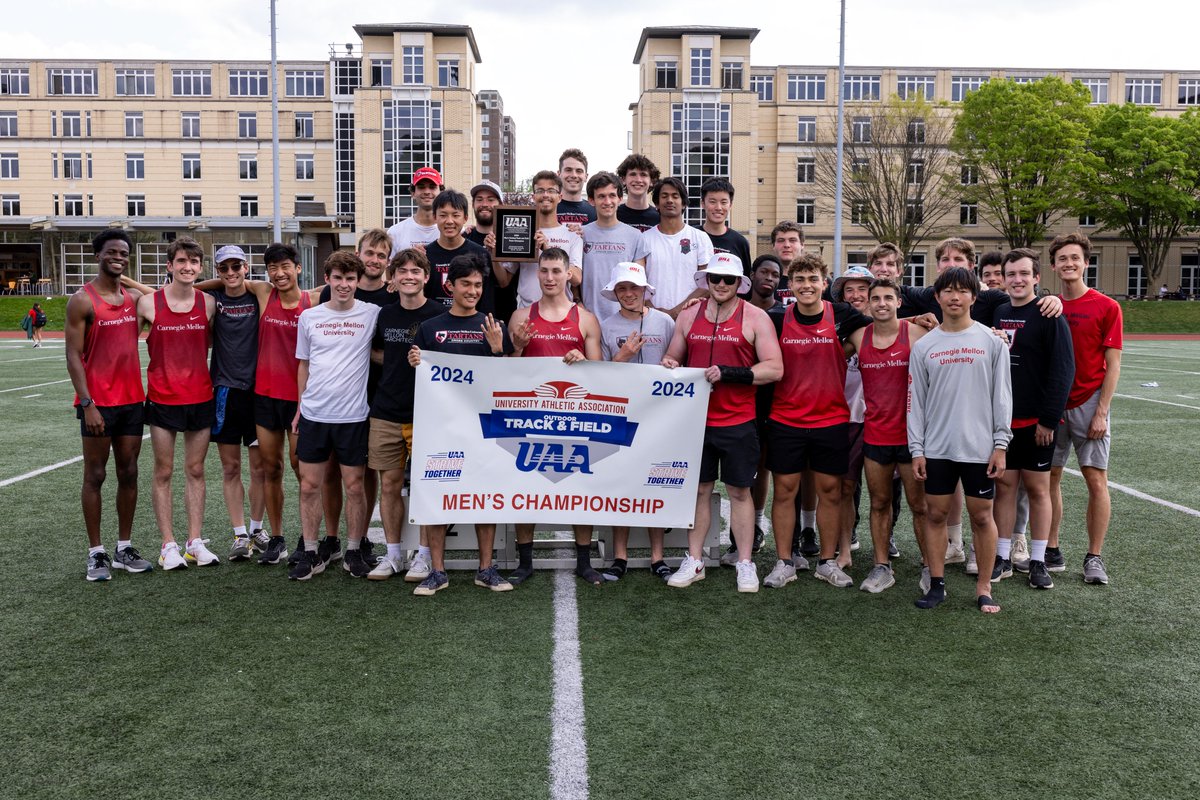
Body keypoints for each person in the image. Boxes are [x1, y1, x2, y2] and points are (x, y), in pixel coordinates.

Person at [661, 253, 783, 593]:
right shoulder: (688, 315)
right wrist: (670, 361)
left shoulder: (756, 317)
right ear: (707, 280)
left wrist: (732, 374)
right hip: (695, 420)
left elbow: (774, 368)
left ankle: (745, 562)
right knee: (699, 490)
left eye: (728, 279)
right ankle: (694, 559)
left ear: (739, 283)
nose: (721, 284)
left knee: (739, 492)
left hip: (739, 420)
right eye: (715, 277)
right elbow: (674, 355)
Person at [204, 243, 324, 566]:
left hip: (300, 400)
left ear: (298, 268)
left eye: (285, 266)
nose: (279, 273)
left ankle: (309, 539)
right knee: (272, 468)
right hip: (265, 397)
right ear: (265, 271)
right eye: (273, 267)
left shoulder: (312, 300)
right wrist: (182, 284)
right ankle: (278, 538)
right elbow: (225, 282)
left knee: (303, 471)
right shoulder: (263, 293)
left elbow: (349, 282)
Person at [407, 254, 515, 595]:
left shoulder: (492, 324)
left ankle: (486, 568)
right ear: (449, 286)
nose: (472, 290)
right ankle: (437, 571)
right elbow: (424, 378)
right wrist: (416, 362)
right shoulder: (430, 328)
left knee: (484, 496)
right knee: (438, 495)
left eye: (478, 285)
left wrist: (499, 351)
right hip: (440, 428)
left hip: (484, 429)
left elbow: (508, 383)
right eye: (466, 284)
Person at [762, 254, 869, 591]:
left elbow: (880, 333)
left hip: (831, 418)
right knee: (784, 492)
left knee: (831, 493)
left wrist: (848, 348)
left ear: (825, 284)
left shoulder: (844, 315)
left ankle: (826, 561)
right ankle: (784, 561)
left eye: (813, 280)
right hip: (785, 418)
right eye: (799, 280)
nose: (806, 286)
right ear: (790, 286)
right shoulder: (777, 319)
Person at [908, 267, 1012, 613]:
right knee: (935, 515)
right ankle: (937, 584)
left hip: (979, 448)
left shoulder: (991, 342)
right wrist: (917, 449)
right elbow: (916, 402)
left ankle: (984, 588)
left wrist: (1000, 445)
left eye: (962, 291)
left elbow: (1002, 398)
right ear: (937, 297)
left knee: (982, 517)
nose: (955, 297)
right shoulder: (925, 346)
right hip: (937, 447)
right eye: (948, 291)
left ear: (974, 296)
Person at [508, 247, 605, 585]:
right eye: (544, 271)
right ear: (538, 274)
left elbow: (599, 375)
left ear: (568, 275)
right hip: (532, 417)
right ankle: (525, 561)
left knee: (580, 486)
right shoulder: (521, 317)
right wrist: (518, 346)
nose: (549, 277)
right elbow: (506, 374)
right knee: (527, 487)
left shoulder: (586, 318)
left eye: (555, 271)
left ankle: (583, 560)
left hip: (574, 418)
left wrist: (584, 359)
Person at [288, 251, 382, 580]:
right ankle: (311, 552)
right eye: (338, 278)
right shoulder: (309, 317)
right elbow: (304, 364)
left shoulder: (372, 314)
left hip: (354, 416)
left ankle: (354, 550)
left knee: (355, 486)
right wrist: (300, 407)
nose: (344, 285)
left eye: (350, 279)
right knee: (309, 485)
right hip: (315, 414)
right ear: (327, 279)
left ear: (359, 282)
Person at [65, 230, 153, 581]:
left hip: (132, 400)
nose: (117, 256)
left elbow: (160, 298)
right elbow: (72, 355)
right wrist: (87, 404)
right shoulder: (81, 300)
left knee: (129, 472)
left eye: (123, 253)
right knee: (96, 475)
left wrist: (125, 277)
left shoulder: (133, 299)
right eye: (110, 252)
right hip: (97, 403)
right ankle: (96, 553)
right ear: (97, 255)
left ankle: (123, 548)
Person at [135, 237, 219, 570]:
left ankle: (194, 542)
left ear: (200, 267)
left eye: (194, 262)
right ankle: (167, 544)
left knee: (196, 470)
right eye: (181, 261)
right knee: (164, 471)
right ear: (169, 265)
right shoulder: (147, 304)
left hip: (201, 396)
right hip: (162, 398)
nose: (188, 267)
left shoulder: (209, 304)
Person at [993, 248, 1074, 590]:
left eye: (1024, 273)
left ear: (1037, 278)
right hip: (1003, 422)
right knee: (1005, 488)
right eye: (1011, 274)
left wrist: (1049, 419)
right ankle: (1002, 555)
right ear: (1004, 278)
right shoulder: (998, 312)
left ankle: (1038, 560)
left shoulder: (1049, 314)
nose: (1017, 279)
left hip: (1037, 423)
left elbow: (1063, 370)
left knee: (1039, 489)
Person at [317, 229, 397, 569]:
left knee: (366, 471)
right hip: (337, 397)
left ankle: (359, 539)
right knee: (330, 470)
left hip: (376, 396)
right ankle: (332, 538)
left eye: (381, 255)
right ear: (359, 254)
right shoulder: (330, 291)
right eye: (369, 253)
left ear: (388, 261)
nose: (374, 260)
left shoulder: (393, 298)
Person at [845, 278, 930, 593]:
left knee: (920, 506)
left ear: (899, 302)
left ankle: (929, 567)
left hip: (913, 438)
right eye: (875, 298)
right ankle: (882, 567)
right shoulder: (857, 336)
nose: (881, 303)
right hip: (876, 436)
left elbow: (954, 339)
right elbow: (824, 356)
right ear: (868, 304)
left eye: (888, 298)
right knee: (879, 502)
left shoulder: (919, 335)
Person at [1047, 232, 1122, 585]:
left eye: (1075, 258)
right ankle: (1051, 547)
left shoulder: (1107, 306)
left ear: (1086, 263)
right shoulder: (1050, 306)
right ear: (1053, 265)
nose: (1069, 264)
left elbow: (1113, 363)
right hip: (1055, 404)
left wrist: (1102, 411)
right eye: (1062, 259)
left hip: (1089, 401)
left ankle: (1094, 556)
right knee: (1050, 477)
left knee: (1096, 480)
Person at [366, 249, 443, 581]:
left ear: (426, 277)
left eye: (416, 271)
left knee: (426, 486)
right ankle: (394, 553)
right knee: (390, 484)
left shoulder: (440, 314)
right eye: (402, 271)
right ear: (392, 278)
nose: (409, 276)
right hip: (385, 411)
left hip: (426, 413)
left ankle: (424, 556)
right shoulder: (383, 315)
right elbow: (375, 351)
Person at [596, 261, 675, 581]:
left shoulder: (666, 321)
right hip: (622, 414)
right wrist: (623, 356)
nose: (629, 294)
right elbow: (599, 375)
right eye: (622, 288)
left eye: (634, 288)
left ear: (646, 290)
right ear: (615, 293)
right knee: (623, 483)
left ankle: (658, 557)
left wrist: (674, 361)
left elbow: (677, 358)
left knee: (655, 482)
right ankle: (620, 556)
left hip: (659, 414)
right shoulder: (606, 325)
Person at [721, 254, 784, 566]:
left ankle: (770, 526)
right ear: (751, 275)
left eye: (775, 274)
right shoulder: (731, 307)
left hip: (775, 398)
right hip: (738, 402)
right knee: (749, 469)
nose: (769, 278)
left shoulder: (785, 314)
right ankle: (747, 533)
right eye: (764, 271)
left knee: (768, 468)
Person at [207, 246, 268, 561]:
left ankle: (258, 530)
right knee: (231, 467)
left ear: (247, 267)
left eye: (236, 266)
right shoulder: (211, 300)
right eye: (224, 268)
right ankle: (239, 534)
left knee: (260, 467)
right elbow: (171, 292)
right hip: (225, 393)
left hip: (258, 393)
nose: (230, 273)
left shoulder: (260, 296)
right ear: (217, 271)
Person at [831, 265, 875, 565]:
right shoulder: (835, 328)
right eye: (850, 289)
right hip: (842, 419)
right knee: (844, 487)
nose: (856, 295)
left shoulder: (888, 327)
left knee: (885, 492)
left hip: (878, 420)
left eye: (862, 289)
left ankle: (885, 552)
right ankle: (845, 548)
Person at [495, 170, 582, 308]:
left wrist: (548, 251)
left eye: (551, 190)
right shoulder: (523, 232)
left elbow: (576, 279)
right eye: (540, 190)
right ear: (533, 196)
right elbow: (504, 281)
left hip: (561, 314)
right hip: (527, 312)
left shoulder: (572, 235)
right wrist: (493, 253)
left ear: (560, 197)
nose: (546, 195)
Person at [579, 171, 649, 320]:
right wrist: (578, 302)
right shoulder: (580, 235)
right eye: (601, 196)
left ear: (619, 198)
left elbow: (639, 281)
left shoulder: (635, 236)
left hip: (624, 318)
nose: (607, 201)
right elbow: (575, 277)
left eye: (612, 195)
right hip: (588, 318)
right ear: (591, 200)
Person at [642, 177, 713, 318]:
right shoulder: (644, 239)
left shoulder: (700, 238)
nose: (670, 200)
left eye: (675, 196)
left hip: (691, 318)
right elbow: (638, 282)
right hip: (652, 318)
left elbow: (708, 282)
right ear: (656, 203)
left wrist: (677, 311)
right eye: (664, 196)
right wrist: (654, 313)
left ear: (684, 203)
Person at [425, 190, 497, 314]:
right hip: (434, 327)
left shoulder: (480, 254)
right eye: (443, 215)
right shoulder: (425, 255)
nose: (449, 221)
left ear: (465, 218)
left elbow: (486, 300)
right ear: (434, 217)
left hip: (469, 328)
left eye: (455, 215)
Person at [466, 180, 518, 323]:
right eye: (479, 200)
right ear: (473, 205)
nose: (485, 204)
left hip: (505, 319)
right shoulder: (463, 238)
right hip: (470, 321)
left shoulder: (512, 238)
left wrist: (493, 252)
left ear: (500, 204)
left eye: (491, 200)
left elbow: (504, 282)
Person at [699, 177, 751, 280]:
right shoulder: (692, 236)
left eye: (723, 202)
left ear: (730, 205)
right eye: (712, 202)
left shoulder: (740, 242)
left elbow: (745, 280)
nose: (718, 208)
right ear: (703, 204)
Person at [386, 167, 443, 258]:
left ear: (441, 192)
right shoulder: (395, 232)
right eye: (421, 187)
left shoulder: (454, 231)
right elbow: (390, 271)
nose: (427, 192)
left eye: (432, 187)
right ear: (413, 193)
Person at [615, 153, 661, 233]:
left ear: (651, 181)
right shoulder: (614, 215)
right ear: (623, 180)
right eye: (633, 174)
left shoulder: (660, 218)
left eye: (643, 174)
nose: (638, 180)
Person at [556, 148, 597, 227]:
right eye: (568, 170)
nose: (574, 175)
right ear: (559, 174)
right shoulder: (547, 209)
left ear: (586, 176)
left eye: (579, 171)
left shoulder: (596, 211)